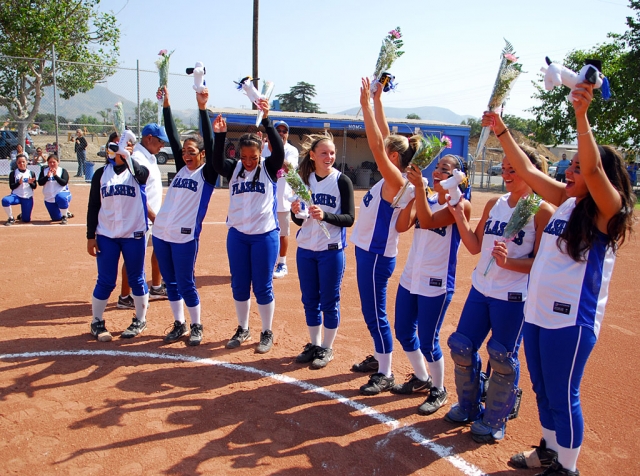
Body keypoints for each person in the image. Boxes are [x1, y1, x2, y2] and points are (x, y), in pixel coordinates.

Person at [484, 85, 635, 475]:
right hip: (538, 312)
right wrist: (501, 130)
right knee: (544, 390)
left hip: (571, 321)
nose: (569, 172)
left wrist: (581, 115)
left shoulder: (606, 211)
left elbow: (593, 169)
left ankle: (567, 468)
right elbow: (531, 172)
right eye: (568, 167)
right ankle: (549, 451)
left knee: (564, 394)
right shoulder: (567, 202)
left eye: (575, 169)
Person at [443, 145, 554, 444]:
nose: (505, 173)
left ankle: (495, 419)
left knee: (502, 357)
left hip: (513, 297)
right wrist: (457, 216)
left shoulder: (541, 210)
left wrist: (510, 263)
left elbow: (542, 263)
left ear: (530, 170)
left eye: (512, 168)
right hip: (482, 287)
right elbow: (475, 245)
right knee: (462, 346)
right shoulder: (495, 203)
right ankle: (468, 407)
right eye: (503, 168)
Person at [350, 77, 418, 395]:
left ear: (393, 158)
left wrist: (364, 105)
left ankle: (386, 371)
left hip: (377, 254)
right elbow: (385, 136)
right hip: (369, 251)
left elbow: (379, 143)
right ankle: (380, 357)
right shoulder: (395, 175)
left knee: (374, 311)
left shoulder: (396, 181)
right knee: (370, 310)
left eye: (386, 152)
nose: (381, 151)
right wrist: (377, 100)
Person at [391, 155, 471, 415]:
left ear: (459, 177)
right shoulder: (429, 199)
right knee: (403, 331)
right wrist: (414, 196)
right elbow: (402, 225)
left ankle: (439, 388)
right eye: (436, 167)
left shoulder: (461, 205)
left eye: (445, 169)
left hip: (436, 283)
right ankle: (422, 377)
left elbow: (427, 221)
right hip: (411, 277)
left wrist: (418, 191)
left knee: (428, 340)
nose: (437, 172)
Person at [212, 99, 284, 354]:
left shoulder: (269, 167)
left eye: (253, 156)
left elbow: (280, 153)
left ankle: (266, 331)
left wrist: (267, 120)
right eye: (244, 156)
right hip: (238, 236)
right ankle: (243, 328)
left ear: (261, 151)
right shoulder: (234, 169)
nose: (249, 161)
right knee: (240, 283)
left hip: (264, 235)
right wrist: (219, 136)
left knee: (263, 285)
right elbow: (217, 163)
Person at [153, 86, 217, 346]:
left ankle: (196, 325)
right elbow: (171, 133)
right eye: (184, 152)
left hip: (185, 236)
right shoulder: (182, 169)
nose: (186, 155)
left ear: (202, 154)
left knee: (186, 282)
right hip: (161, 233)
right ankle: (179, 324)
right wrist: (166, 105)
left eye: (192, 151)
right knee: (170, 282)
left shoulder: (207, 174)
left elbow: (212, 144)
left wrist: (202, 109)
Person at [290, 132, 355, 369]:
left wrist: (326, 215)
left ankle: (327, 348)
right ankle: (315, 344)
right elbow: (298, 221)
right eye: (324, 153)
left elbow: (349, 218)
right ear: (313, 156)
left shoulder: (341, 181)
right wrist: (295, 210)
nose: (329, 157)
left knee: (329, 300)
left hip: (331, 250)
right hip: (306, 248)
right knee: (309, 300)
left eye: (332, 153)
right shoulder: (302, 180)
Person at [86, 133, 150, 341]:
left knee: (136, 278)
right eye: (118, 145)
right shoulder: (100, 174)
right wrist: (90, 235)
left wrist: (128, 158)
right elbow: (94, 205)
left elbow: (142, 175)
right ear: (109, 149)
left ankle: (140, 319)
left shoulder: (137, 170)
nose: (123, 148)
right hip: (107, 234)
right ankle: (96, 321)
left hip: (134, 234)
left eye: (129, 145)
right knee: (106, 280)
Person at [120, 121, 168, 304]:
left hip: (153, 216)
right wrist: (153, 216)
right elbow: (138, 194)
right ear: (149, 138)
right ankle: (125, 297)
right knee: (134, 258)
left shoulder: (150, 156)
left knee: (159, 249)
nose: (163, 145)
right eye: (160, 141)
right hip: (141, 217)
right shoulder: (138, 158)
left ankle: (156, 287)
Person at [269, 121, 300, 279]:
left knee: (282, 233)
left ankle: (282, 263)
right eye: (278, 130)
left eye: (284, 131)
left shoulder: (292, 150)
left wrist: (275, 152)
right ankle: (266, 264)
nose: (281, 133)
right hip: (265, 201)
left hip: (283, 199)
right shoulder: (263, 149)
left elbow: (289, 168)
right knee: (263, 233)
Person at [3, 154, 37, 226]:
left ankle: (23, 215)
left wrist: (30, 183)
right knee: (5, 200)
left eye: (23, 162)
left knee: (26, 220)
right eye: (19, 162)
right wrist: (19, 183)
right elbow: (11, 186)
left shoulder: (31, 173)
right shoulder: (13, 173)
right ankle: (11, 218)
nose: (21, 164)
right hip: (16, 196)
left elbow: (34, 187)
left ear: (26, 162)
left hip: (27, 197)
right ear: (16, 163)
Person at [37, 154, 72, 224]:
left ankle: (64, 216)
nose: (52, 164)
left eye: (54, 162)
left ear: (58, 162)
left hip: (62, 193)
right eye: (50, 162)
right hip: (49, 198)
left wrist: (55, 175)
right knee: (56, 218)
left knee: (61, 198)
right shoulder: (44, 171)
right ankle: (66, 212)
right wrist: (47, 176)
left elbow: (64, 182)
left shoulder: (62, 171)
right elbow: (40, 183)